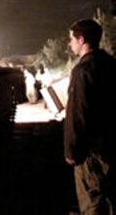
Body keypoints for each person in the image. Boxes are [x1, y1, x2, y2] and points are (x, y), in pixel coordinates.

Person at [65, 19, 116, 214]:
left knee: (93, 202)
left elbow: (78, 113)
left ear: (81, 39)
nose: (70, 44)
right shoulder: (111, 64)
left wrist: (71, 151)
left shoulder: (83, 71)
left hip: (91, 152)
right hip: (111, 145)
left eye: (71, 39)